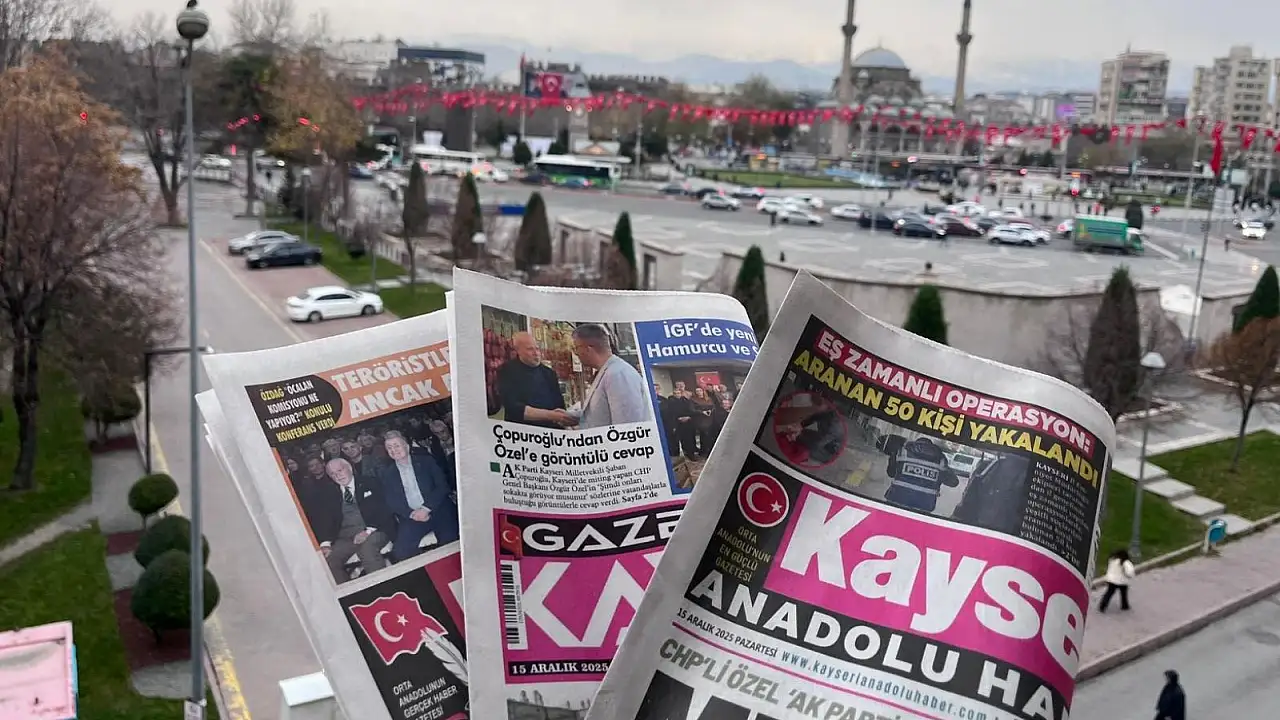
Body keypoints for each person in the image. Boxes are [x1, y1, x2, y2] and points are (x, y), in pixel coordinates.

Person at [303, 457, 393, 583]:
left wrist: (367, 532)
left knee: (367, 550)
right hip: (345, 537)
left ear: (349, 468)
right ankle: (351, 591)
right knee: (328, 561)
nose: (338, 476)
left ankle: (383, 586)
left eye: (340, 471)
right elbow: (325, 519)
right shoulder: (329, 492)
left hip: (374, 530)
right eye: (333, 474)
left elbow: (383, 509)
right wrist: (325, 544)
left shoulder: (370, 482)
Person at [378, 431, 458, 561]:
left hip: (438, 510)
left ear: (407, 446)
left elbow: (442, 486)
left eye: (397, 445)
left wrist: (426, 508)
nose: (394, 450)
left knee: (449, 542)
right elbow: (391, 501)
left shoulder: (426, 461)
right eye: (389, 448)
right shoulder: (388, 474)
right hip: (413, 517)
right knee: (401, 551)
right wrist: (411, 514)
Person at [568, 324, 649, 429]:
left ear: (588, 349)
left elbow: (627, 427)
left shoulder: (617, 374)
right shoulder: (608, 371)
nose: (576, 353)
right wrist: (570, 416)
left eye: (576, 348)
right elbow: (602, 413)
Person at [495, 331, 575, 428]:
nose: (536, 353)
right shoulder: (507, 371)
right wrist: (551, 415)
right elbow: (513, 408)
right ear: (518, 351)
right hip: (522, 431)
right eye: (530, 349)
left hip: (550, 431)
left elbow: (559, 406)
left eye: (537, 348)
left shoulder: (549, 373)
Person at [688, 386, 716, 459]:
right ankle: (704, 452)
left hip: (709, 418)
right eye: (697, 391)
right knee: (704, 435)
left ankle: (710, 450)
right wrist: (702, 412)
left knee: (710, 435)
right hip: (700, 419)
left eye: (700, 390)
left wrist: (710, 411)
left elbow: (713, 407)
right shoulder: (693, 400)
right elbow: (692, 410)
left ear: (703, 391)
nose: (699, 392)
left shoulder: (709, 398)